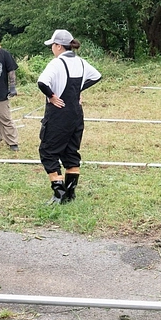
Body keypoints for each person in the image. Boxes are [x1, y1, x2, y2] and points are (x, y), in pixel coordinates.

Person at [36, 29, 102, 204]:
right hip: (76, 114)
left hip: (58, 114)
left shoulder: (56, 63)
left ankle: (59, 193)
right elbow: (97, 76)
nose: (52, 49)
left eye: (53, 45)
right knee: (71, 152)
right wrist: (79, 89)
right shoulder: (81, 62)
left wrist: (51, 96)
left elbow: (42, 82)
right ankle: (70, 194)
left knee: (48, 152)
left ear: (58, 46)